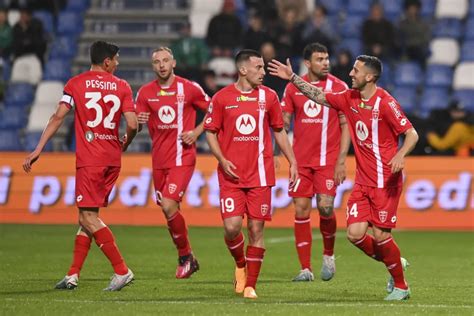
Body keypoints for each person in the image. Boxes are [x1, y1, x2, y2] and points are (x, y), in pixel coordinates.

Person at [268, 55, 419, 301]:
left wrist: (401, 154)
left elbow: (411, 134)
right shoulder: (349, 98)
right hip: (363, 181)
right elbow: (319, 96)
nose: (351, 73)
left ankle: (401, 285)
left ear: (369, 77)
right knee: (355, 234)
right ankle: (394, 262)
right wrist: (293, 78)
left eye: (356, 70)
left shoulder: (385, 103)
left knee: (381, 237)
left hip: (385, 180)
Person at [23, 40, 138, 291]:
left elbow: (58, 117)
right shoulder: (122, 86)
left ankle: (122, 270)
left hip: (91, 159)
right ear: (106, 61)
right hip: (112, 159)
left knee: (88, 216)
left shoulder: (76, 84)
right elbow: (132, 124)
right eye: (116, 60)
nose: (117, 64)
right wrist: (126, 143)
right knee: (87, 217)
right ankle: (73, 274)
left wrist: (39, 148)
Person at [204, 49, 298, 299]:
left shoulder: (269, 97)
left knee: (256, 230)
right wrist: (222, 159)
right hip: (231, 175)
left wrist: (293, 161)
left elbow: (278, 130)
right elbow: (210, 131)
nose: (263, 72)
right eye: (258, 67)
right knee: (232, 228)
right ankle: (240, 264)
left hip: (260, 176)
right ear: (243, 70)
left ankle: (250, 286)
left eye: (263, 67)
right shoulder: (222, 98)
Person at [135, 47, 210, 279]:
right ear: (153, 66)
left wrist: (196, 132)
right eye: (157, 61)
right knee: (168, 211)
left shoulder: (189, 88)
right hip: (159, 161)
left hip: (183, 157)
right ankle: (189, 258)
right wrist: (137, 121)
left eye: (165, 60)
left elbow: (215, 110)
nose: (161, 65)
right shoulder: (145, 93)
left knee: (168, 205)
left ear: (174, 63)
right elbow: (136, 124)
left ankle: (184, 256)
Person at [280, 43, 350, 282]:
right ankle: (305, 268)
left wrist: (341, 160)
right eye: (320, 59)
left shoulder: (339, 88)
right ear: (308, 63)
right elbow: (284, 122)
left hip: (327, 160)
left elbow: (345, 125)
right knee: (301, 210)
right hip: (301, 162)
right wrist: (281, 148)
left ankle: (328, 255)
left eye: (327, 58)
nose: (326, 62)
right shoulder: (292, 89)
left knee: (326, 207)